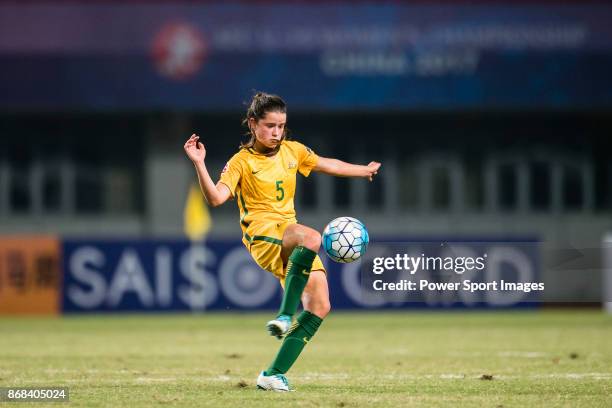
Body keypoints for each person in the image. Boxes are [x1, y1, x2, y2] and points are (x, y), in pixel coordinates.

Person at [183, 92, 381, 391]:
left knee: (320, 307)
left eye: (281, 126)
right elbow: (215, 198)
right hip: (262, 235)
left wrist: (363, 170)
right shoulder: (240, 162)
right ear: (253, 124)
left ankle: (272, 374)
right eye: (270, 125)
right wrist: (199, 163)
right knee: (313, 237)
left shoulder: (293, 151)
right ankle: (286, 315)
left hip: (290, 234)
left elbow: (329, 164)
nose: (276, 132)